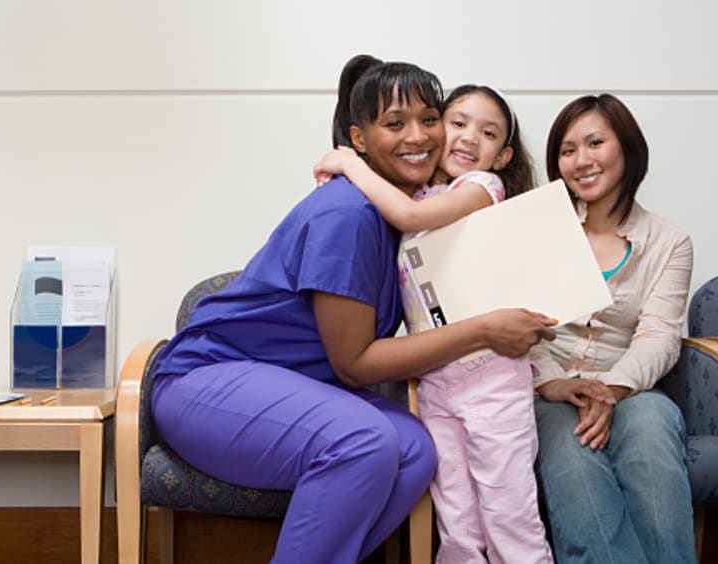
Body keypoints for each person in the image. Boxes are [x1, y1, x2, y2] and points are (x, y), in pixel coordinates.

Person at [150, 54, 556, 564]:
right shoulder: (349, 214)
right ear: (358, 139)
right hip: (206, 382)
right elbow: (355, 364)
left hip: (289, 388)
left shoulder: (409, 218)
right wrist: (485, 331)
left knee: (414, 450)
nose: (419, 136)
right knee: (366, 442)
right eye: (394, 124)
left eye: (429, 119)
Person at [315, 84, 558, 563]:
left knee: (509, 516)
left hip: (493, 380)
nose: (469, 137)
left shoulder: (483, 188)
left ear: (503, 154)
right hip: (436, 384)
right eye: (458, 122)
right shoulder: (423, 189)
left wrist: (349, 162)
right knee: (458, 523)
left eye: (488, 132)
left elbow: (410, 215)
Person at [531, 93, 696, 563]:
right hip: (551, 389)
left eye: (594, 143)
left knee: (652, 424)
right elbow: (521, 326)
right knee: (571, 446)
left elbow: (660, 337)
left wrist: (609, 389)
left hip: (629, 386)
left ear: (626, 147)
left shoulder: (670, 241)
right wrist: (558, 384)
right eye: (567, 150)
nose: (581, 160)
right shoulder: (543, 231)